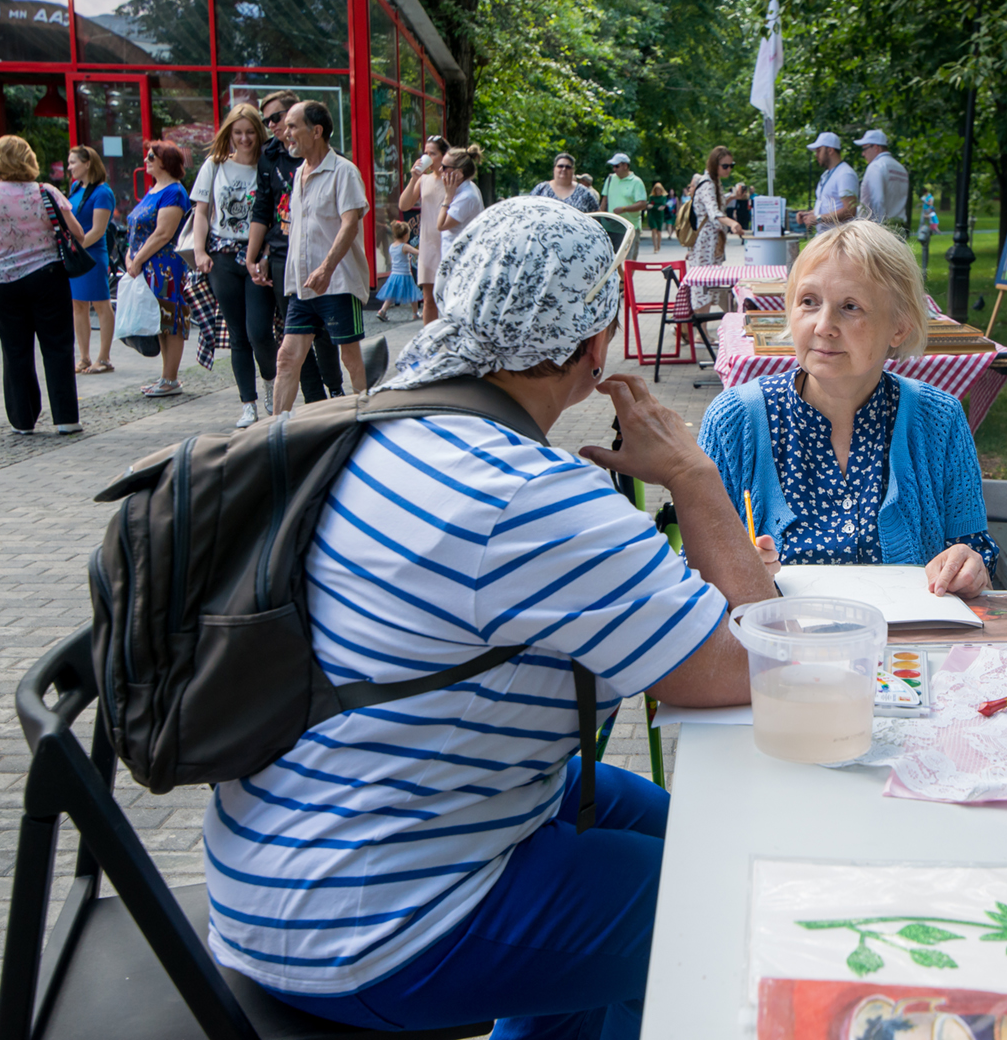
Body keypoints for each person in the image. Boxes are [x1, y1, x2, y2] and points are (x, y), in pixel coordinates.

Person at [201, 196, 775, 1040]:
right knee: (728, 903)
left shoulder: (371, 428)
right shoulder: (528, 497)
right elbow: (762, 666)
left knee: (666, 821)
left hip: (277, 861)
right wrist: (692, 473)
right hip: (368, 929)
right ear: (593, 346)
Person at [699, 220, 999, 595]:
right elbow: (691, 568)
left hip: (907, 649)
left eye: (850, 307)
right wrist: (730, 570)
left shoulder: (940, 419)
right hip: (781, 644)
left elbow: (975, 548)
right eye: (808, 302)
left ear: (899, 328)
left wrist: (968, 565)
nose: (824, 325)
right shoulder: (734, 420)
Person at [0, 135, 88, 434]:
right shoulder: (46, 192)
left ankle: (23, 420)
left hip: (3, 281)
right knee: (58, 346)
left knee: (15, 350)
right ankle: (67, 419)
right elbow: (78, 234)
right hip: (47, 277)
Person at [247, 90, 344, 403]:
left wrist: (331, 264)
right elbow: (264, 209)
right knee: (292, 338)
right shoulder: (270, 156)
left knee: (326, 334)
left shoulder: (328, 161)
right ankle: (314, 401)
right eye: (269, 121)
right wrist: (255, 255)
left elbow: (347, 218)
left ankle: (337, 389)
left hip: (320, 255)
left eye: (279, 119)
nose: (275, 126)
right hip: (282, 256)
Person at [274, 99, 370, 413]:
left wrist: (327, 267)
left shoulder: (344, 171)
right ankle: (275, 434)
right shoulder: (299, 172)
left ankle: (368, 418)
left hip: (338, 283)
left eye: (291, 126)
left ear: (316, 131)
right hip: (303, 286)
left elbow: (350, 224)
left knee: (350, 358)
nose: (285, 133)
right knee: (287, 357)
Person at [192, 103, 271, 427]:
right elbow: (201, 210)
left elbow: (273, 215)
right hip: (222, 255)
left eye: (250, 132)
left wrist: (265, 255)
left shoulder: (267, 165)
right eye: (237, 133)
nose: (244, 139)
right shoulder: (214, 165)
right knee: (238, 334)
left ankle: (270, 383)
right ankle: (247, 404)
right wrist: (200, 251)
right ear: (229, 134)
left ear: (259, 133)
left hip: (255, 256)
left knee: (259, 331)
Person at [126, 140, 191, 398]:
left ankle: (171, 378)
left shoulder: (173, 192)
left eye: (152, 156)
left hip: (167, 267)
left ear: (166, 161)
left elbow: (163, 233)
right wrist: (135, 257)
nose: (146, 161)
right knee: (161, 321)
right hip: (148, 265)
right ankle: (166, 376)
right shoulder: (155, 189)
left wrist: (138, 258)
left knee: (171, 320)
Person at [65, 145, 116, 375]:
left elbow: (98, 230)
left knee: (101, 305)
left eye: (73, 162)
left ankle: (103, 357)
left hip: (92, 254)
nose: (69, 167)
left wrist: (74, 249)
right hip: (77, 253)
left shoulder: (102, 192)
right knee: (78, 305)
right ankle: (84, 357)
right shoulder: (76, 187)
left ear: (88, 163)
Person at [396, 134, 449, 325]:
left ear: (444, 156)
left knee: (450, 298)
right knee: (428, 300)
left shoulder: (451, 179)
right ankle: (428, 344)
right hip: (428, 243)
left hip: (447, 242)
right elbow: (404, 205)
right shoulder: (424, 180)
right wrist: (413, 179)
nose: (427, 157)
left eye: (432, 153)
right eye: (425, 153)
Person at [684, 147, 743, 310]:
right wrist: (732, 223)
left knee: (714, 283)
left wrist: (732, 197)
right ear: (714, 164)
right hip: (706, 243)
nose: (729, 169)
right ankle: (697, 331)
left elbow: (716, 204)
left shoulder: (714, 183)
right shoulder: (708, 183)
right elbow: (713, 212)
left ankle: (733, 317)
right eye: (725, 166)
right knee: (704, 285)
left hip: (713, 241)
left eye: (732, 165)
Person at [796, 132, 858, 235]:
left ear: (830, 150)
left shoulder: (845, 174)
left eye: (819, 150)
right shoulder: (826, 175)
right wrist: (808, 215)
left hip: (839, 237)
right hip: (825, 236)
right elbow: (826, 206)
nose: (816, 154)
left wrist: (818, 218)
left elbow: (850, 210)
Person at [855, 129, 910, 234]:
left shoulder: (876, 166)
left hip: (880, 232)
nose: (863, 154)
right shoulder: (901, 168)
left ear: (876, 147)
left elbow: (877, 201)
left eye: (865, 149)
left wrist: (878, 230)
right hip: (899, 228)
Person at [437, 144, 485, 263]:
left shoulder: (467, 196)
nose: (440, 170)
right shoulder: (463, 189)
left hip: (459, 260)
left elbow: (441, 225)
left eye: (444, 167)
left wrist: (448, 198)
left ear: (459, 173)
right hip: (455, 256)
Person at [600, 152, 648, 257]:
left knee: (629, 258)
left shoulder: (636, 182)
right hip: (611, 226)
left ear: (625, 166)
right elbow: (604, 199)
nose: (614, 169)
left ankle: (628, 274)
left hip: (630, 227)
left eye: (617, 166)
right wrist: (600, 218)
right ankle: (619, 274)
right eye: (613, 166)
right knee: (612, 258)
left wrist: (624, 209)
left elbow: (642, 204)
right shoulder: (610, 179)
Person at [374, 219, 421, 320]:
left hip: (394, 274)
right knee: (413, 294)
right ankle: (415, 313)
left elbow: (394, 259)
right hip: (405, 274)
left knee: (391, 295)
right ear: (405, 235)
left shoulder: (392, 246)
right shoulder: (405, 246)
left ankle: (382, 311)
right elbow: (417, 252)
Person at [529, 152, 599, 212]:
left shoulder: (584, 193)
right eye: (560, 166)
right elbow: (529, 210)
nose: (564, 169)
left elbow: (596, 217)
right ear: (554, 169)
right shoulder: (541, 189)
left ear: (573, 170)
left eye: (568, 167)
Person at [646, 181, 668, 252]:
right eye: (656, 189)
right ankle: (655, 246)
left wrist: (654, 206)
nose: (658, 191)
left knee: (659, 232)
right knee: (653, 230)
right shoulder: (652, 197)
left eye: (659, 189)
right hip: (653, 215)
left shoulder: (663, 197)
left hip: (660, 216)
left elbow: (662, 206)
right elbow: (649, 205)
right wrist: (656, 207)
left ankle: (659, 245)